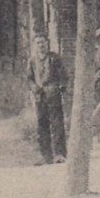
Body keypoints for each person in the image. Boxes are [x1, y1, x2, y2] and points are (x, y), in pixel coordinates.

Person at [25, 34, 69, 165]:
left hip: (53, 95)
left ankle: (60, 154)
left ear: (47, 43)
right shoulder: (32, 61)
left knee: (57, 125)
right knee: (42, 125)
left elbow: (63, 76)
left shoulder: (54, 58)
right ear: (34, 45)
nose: (41, 45)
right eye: (38, 43)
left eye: (42, 42)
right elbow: (29, 79)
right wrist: (34, 88)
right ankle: (46, 155)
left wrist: (60, 87)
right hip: (40, 97)